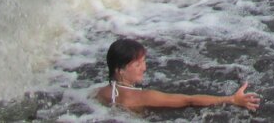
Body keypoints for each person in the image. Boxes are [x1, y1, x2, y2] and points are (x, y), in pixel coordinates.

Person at [94, 38, 260, 112]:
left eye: (144, 61)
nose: (144, 68)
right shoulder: (144, 97)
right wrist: (231, 99)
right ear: (120, 70)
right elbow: (189, 100)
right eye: (137, 65)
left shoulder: (101, 93)